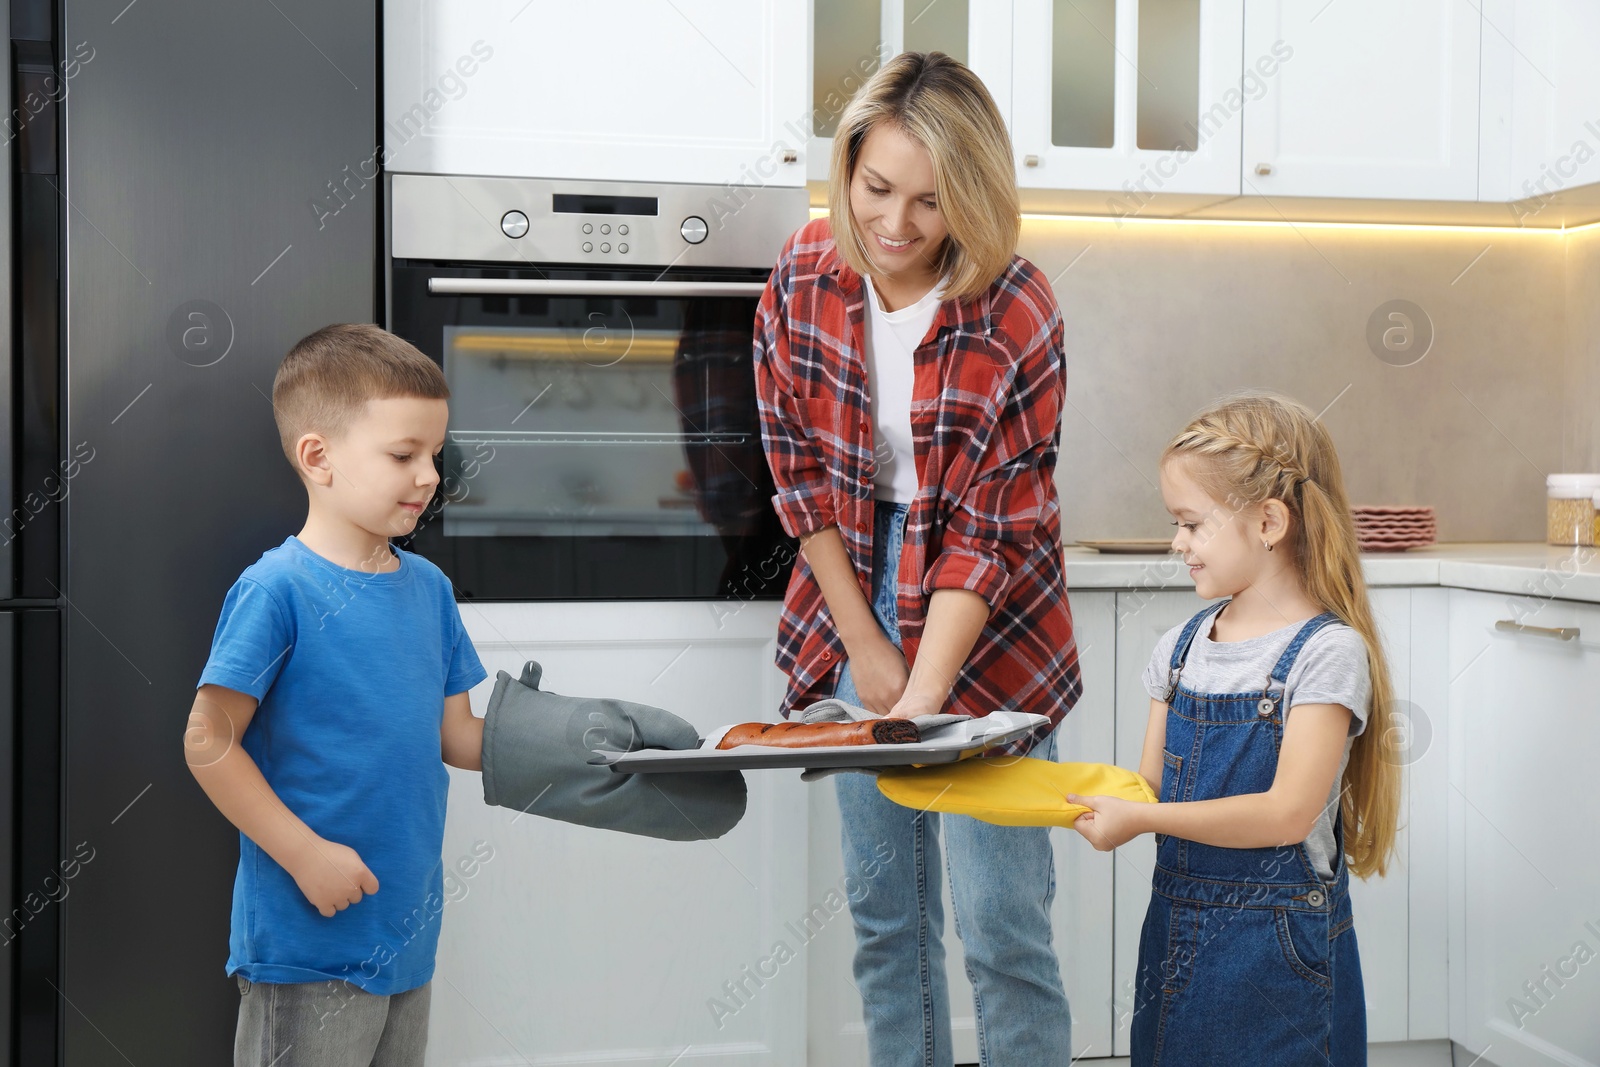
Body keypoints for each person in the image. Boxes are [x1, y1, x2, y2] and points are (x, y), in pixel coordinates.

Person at [752, 51, 1081, 1067]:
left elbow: (991, 525)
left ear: (972, 199)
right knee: (886, 911)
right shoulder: (804, 276)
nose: (893, 224)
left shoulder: (1015, 307)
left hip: (986, 604)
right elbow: (798, 478)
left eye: (930, 202)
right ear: (847, 166)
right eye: (875, 187)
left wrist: (926, 691)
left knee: (1000, 921)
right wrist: (864, 644)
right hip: (852, 569)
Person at [1068, 392, 1402, 1066]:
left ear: (1269, 521)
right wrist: (1040, 791)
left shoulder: (1325, 653)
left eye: (1192, 523)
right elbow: (1147, 788)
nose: (1177, 543)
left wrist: (1139, 818)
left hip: (1278, 951)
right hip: (1177, 940)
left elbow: (1285, 814)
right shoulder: (1180, 647)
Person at [185, 323, 488, 1066]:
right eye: (403, 455)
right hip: (307, 941)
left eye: (435, 454)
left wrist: (593, 749)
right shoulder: (276, 590)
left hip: (408, 932)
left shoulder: (431, 589)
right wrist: (304, 855)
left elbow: (459, 737)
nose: (430, 477)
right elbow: (208, 738)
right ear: (317, 457)